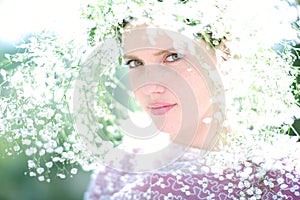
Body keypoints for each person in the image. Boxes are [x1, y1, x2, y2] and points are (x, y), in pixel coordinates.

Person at [82, 1, 300, 199]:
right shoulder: (121, 166)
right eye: (135, 63)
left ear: (225, 54)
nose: (149, 86)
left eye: (173, 56)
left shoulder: (280, 178)